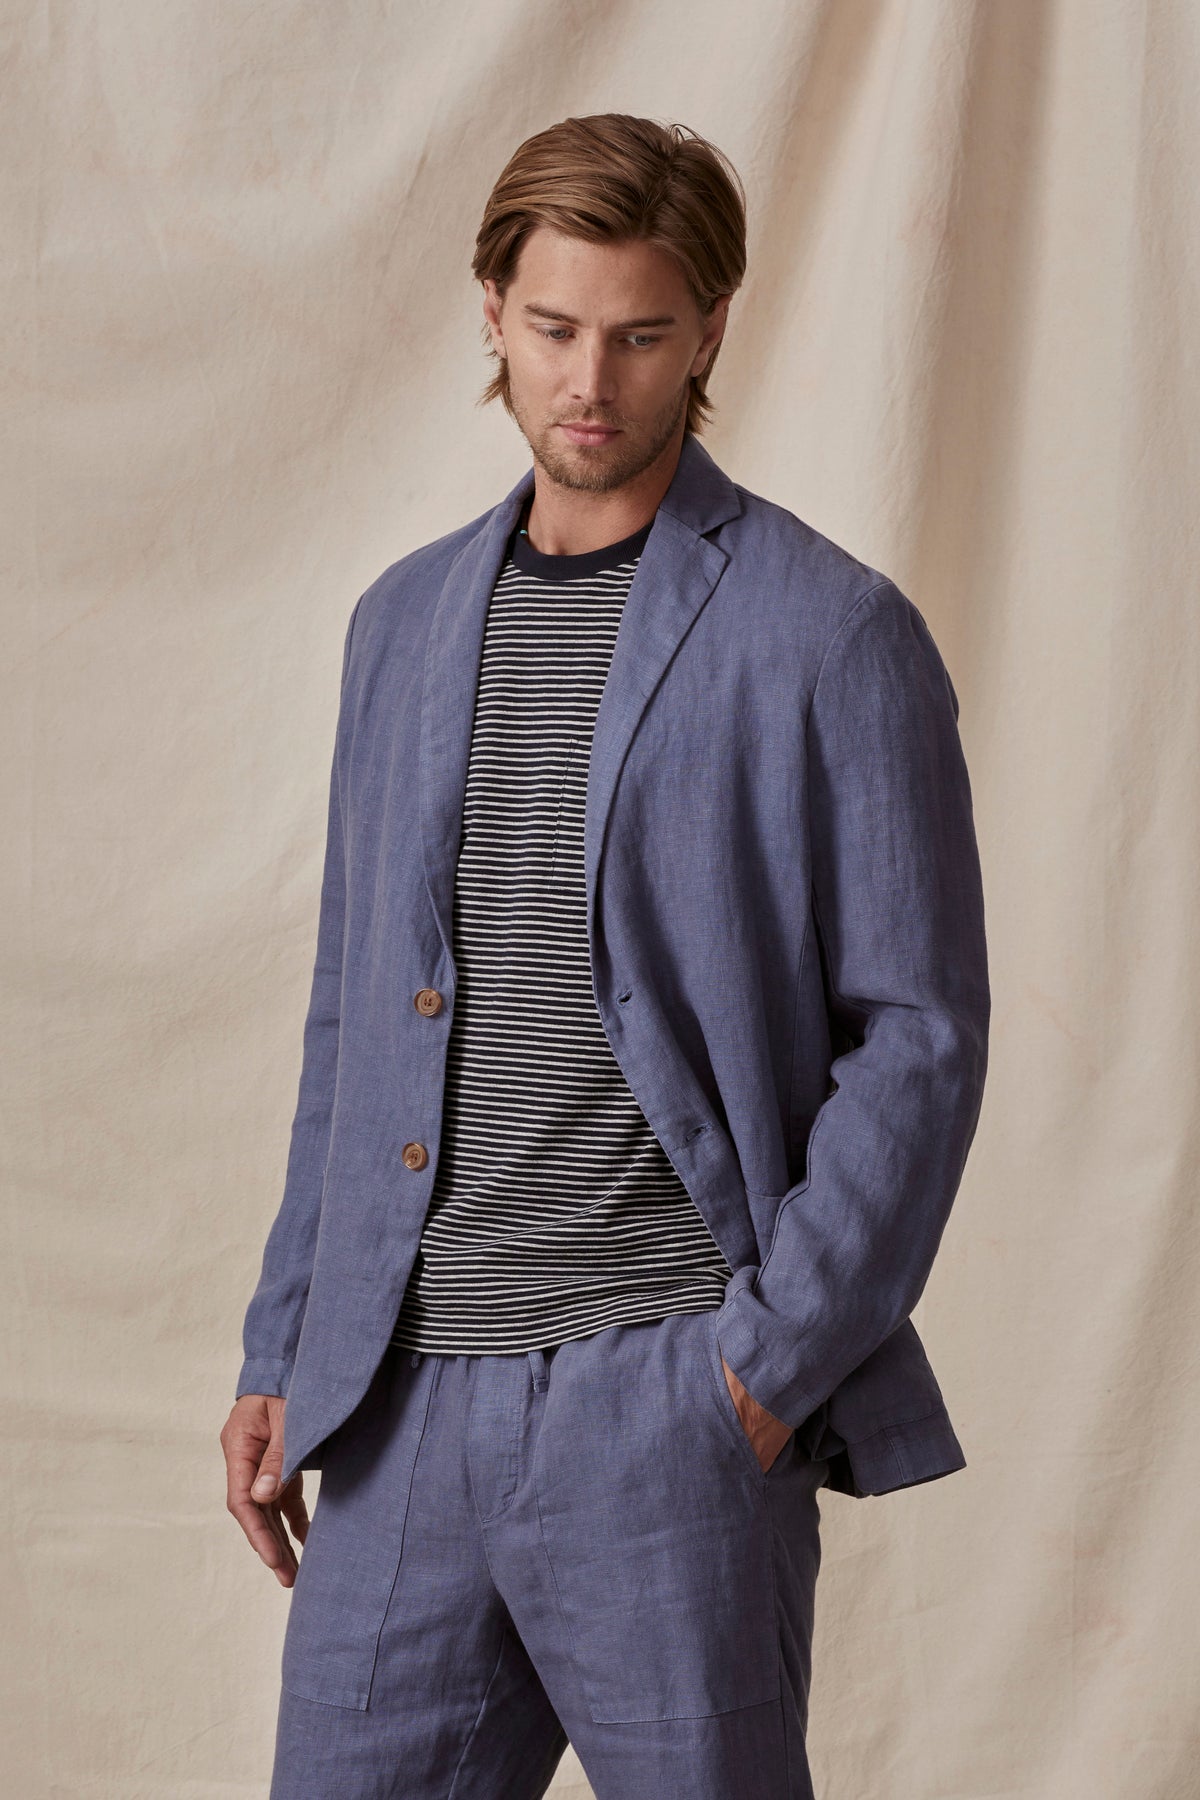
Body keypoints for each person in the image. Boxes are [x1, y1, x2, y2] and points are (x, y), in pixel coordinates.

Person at [220, 112, 990, 1800]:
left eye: (641, 335)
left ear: (709, 331)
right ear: (490, 309)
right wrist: (285, 1348)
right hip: (401, 1411)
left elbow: (920, 1033)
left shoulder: (830, 630)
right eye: (556, 328)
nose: (592, 380)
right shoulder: (400, 625)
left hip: (668, 1412)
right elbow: (356, 1021)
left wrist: (763, 1373)